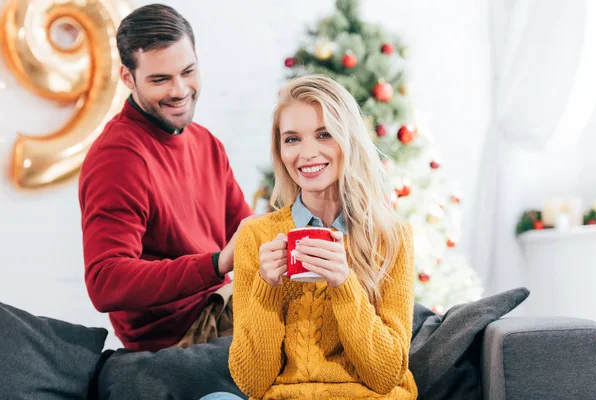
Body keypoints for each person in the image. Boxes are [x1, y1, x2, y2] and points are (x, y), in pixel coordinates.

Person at [228, 75, 418, 399]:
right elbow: (251, 383)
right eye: (292, 139)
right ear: (280, 151)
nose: (307, 153)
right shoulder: (256, 237)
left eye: (324, 134)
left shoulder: (392, 236)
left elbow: (386, 375)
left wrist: (344, 284)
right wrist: (267, 288)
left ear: (348, 140)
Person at [79, 3, 253, 353]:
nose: (179, 90)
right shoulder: (118, 157)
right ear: (128, 78)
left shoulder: (206, 143)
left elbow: (246, 232)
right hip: (177, 335)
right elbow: (105, 281)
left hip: (220, 303)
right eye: (160, 79)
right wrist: (217, 263)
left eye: (187, 71)